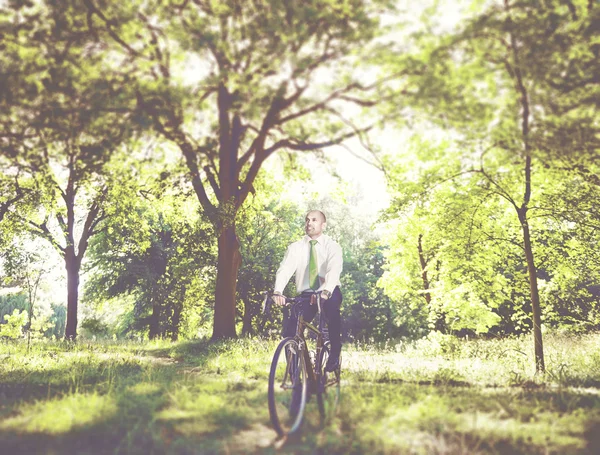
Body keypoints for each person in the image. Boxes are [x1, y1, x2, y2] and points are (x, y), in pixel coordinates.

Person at [273, 210, 343, 372]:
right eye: (307, 220)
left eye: (314, 220)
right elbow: (285, 269)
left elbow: (334, 270)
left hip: (328, 292)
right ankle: (296, 375)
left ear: (323, 225)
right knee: (292, 329)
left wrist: (325, 292)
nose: (309, 223)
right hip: (306, 295)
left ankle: (334, 353)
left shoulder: (332, 247)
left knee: (332, 311)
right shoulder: (295, 247)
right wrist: (278, 291)